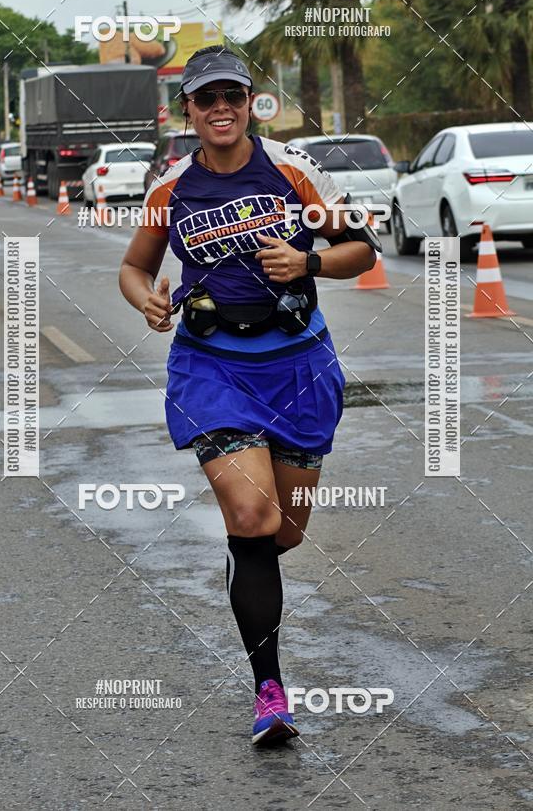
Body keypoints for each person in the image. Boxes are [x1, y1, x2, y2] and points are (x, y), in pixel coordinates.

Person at [119, 46, 377, 746]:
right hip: (212, 368)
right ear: (189, 110)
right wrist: (148, 300)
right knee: (251, 513)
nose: (221, 108)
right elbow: (135, 267)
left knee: (282, 532)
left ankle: (248, 557)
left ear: (250, 102)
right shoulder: (171, 187)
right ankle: (270, 693)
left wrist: (308, 259)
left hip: (299, 367)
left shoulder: (293, 170)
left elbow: (363, 250)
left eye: (232, 95)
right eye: (206, 98)